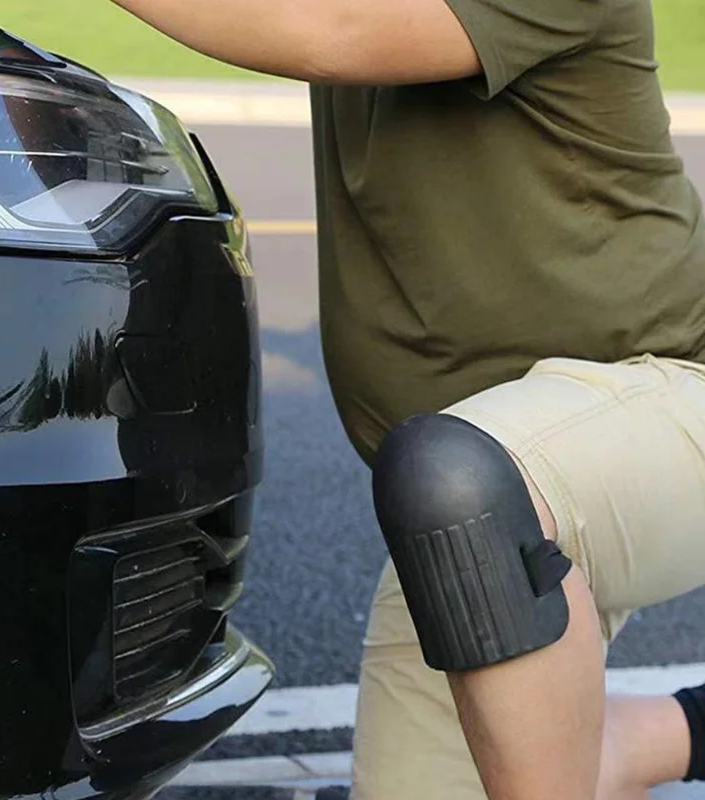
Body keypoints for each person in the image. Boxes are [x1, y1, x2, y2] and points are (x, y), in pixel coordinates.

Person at [109, 1, 705, 797]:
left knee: (464, 487)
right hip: (466, 502)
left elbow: (331, 34)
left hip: (660, 402)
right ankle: (642, 739)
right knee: (520, 758)